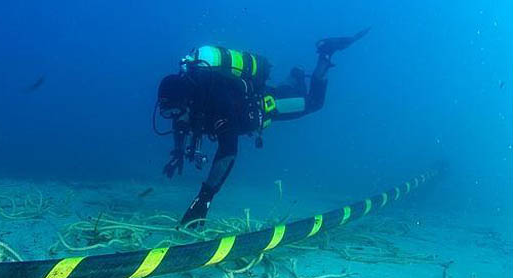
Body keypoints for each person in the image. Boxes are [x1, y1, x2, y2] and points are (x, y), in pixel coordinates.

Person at [155, 28, 370, 228]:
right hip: (252, 98)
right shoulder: (189, 102)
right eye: (168, 113)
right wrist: (178, 152)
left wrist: (204, 198)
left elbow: (228, 152)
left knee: (313, 102)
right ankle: (295, 77)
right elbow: (180, 124)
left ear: (187, 100)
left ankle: (325, 53)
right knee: (281, 92)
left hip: (266, 107)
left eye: (176, 111)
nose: (175, 117)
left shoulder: (217, 102)